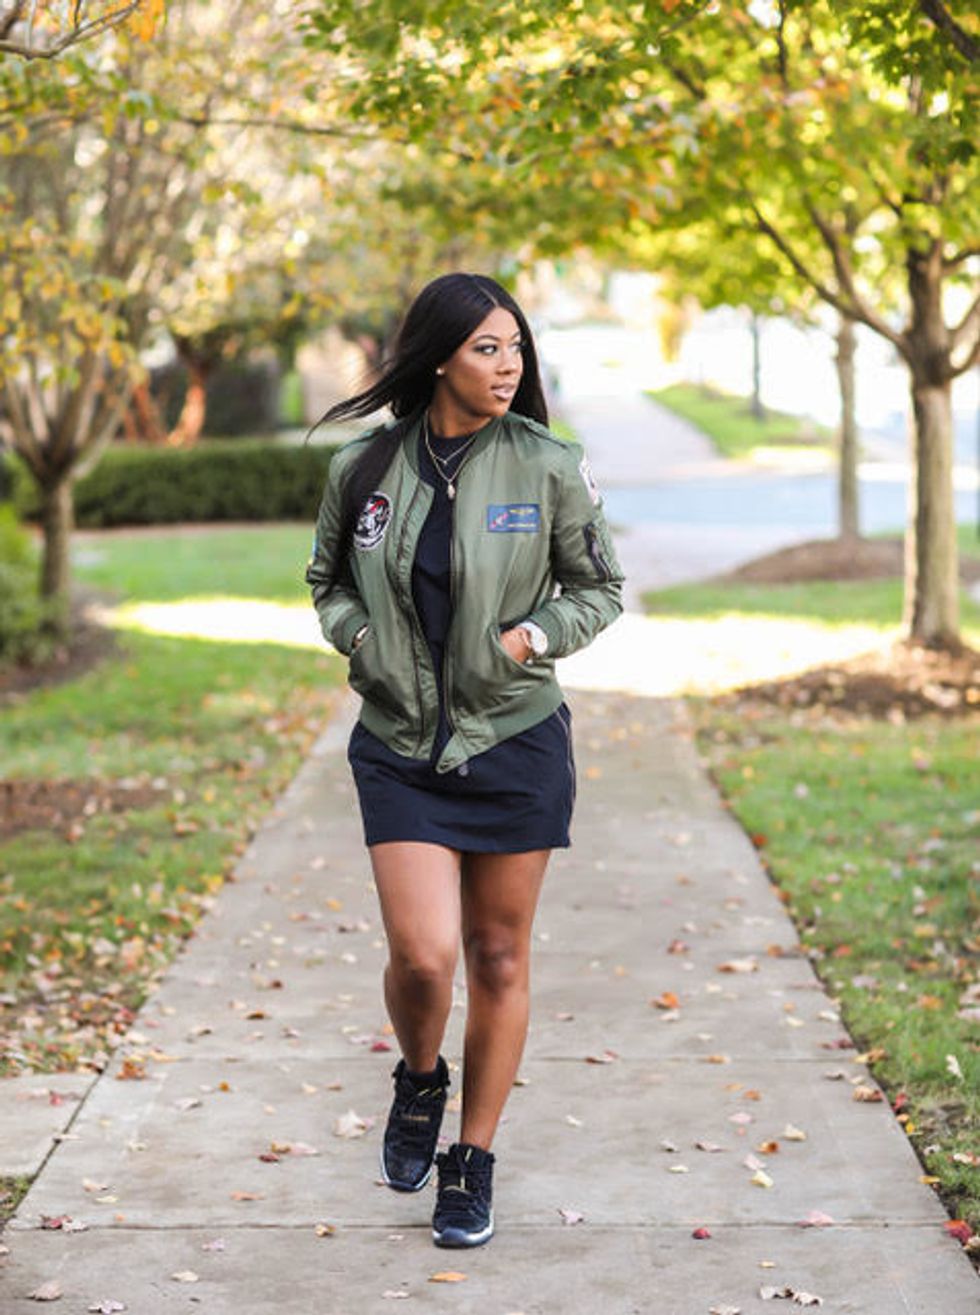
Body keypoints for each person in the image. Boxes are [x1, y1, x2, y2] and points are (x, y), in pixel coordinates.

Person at [305, 272, 623, 1249]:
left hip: (513, 738)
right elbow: (326, 580)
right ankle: (418, 1078)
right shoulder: (364, 467)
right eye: (488, 347)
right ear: (439, 356)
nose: (507, 364)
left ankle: (471, 1159)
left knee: (497, 955)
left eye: (515, 347)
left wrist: (535, 636)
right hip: (400, 744)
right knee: (423, 954)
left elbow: (600, 587)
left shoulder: (546, 464)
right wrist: (359, 638)